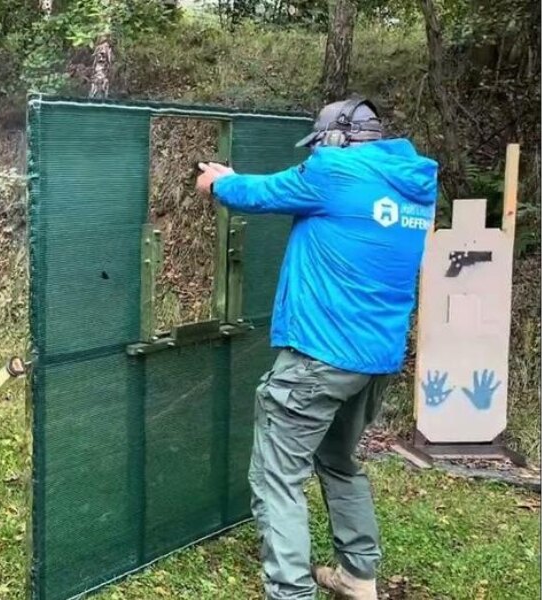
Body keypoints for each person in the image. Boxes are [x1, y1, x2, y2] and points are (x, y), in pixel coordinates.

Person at [195, 98, 438, 600]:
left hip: (319, 359)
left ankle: (289, 592)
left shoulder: (334, 171)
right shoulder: (415, 188)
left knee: (277, 477)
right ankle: (358, 577)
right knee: (339, 461)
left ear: (335, 138)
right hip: (374, 362)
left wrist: (218, 183)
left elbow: (260, 193)